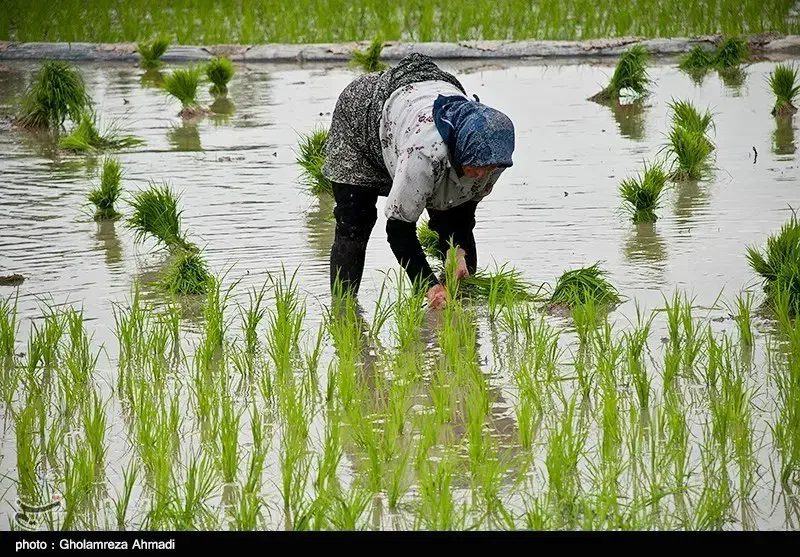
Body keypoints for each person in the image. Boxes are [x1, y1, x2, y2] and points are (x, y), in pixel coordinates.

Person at [322, 53, 515, 308]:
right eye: (476, 167)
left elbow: (461, 211)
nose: (482, 174)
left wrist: (457, 251)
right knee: (355, 222)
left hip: (422, 98)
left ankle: (462, 315)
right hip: (363, 119)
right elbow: (399, 229)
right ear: (461, 150)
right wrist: (429, 285)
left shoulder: (494, 154)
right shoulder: (425, 154)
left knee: (454, 230)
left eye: (488, 169)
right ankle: (343, 312)